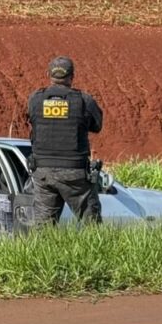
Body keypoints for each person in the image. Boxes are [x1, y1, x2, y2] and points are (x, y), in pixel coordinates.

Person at [27, 56, 104, 224]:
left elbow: (31, 119)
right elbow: (97, 126)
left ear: (48, 74)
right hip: (75, 173)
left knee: (42, 228)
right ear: (72, 76)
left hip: (43, 172)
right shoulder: (83, 100)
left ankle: (42, 250)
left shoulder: (35, 99)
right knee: (92, 225)